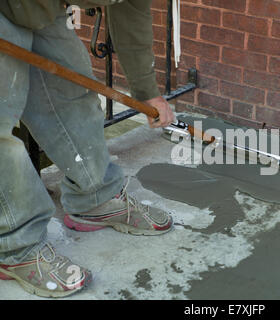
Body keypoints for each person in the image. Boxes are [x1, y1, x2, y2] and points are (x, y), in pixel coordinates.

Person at [0, 0, 175, 298]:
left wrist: (148, 93)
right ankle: (15, 246)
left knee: (73, 95)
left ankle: (95, 197)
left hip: (39, 7)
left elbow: (131, 10)